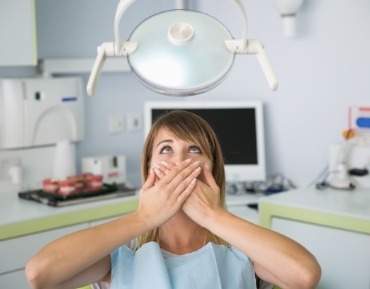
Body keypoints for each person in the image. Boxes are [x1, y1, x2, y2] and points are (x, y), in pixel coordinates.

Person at [25, 110, 321, 289]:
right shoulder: (120, 257)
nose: (179, 160)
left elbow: (304, 275)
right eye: (166, 149)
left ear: (212, 169)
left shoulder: (240, 254)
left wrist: (212, 215)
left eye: (194, 150)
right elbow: (40, 274)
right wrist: (144, 218)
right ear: (148, 168)